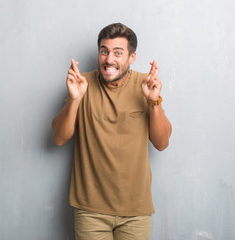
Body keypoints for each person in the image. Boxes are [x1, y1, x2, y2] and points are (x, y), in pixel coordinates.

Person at [52, 23, 172, 240]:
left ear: (132, 57)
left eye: (118, 53)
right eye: (104, 51)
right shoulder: (83, 84)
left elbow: (161, 143)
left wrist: (153, 101)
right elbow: (59, 138)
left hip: (136, 211)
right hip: (90, 209)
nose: (109, 59)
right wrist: (74, 99)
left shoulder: (145, 84)